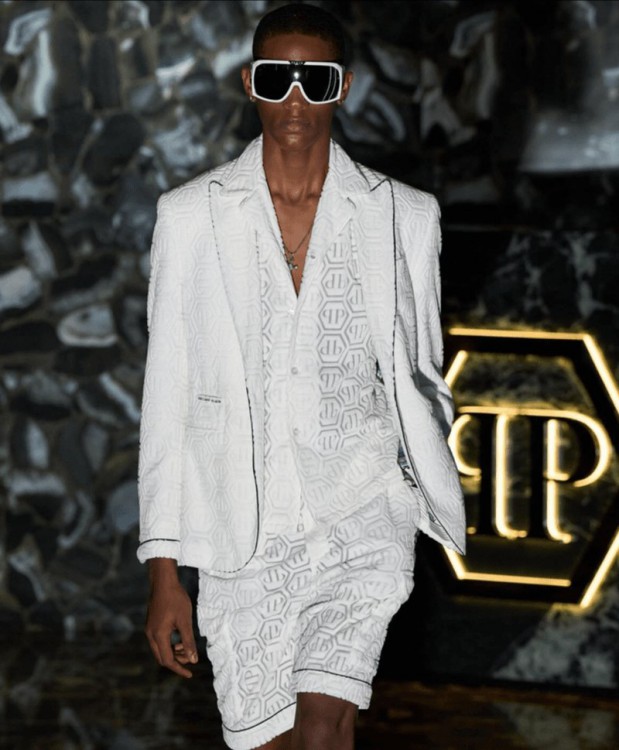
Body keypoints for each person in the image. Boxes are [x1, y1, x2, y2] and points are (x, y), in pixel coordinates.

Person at [137, 4, 465, 749]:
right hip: (242, 535)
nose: (293, 98)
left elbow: (422, 372)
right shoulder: (189, 217)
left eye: (313, 79)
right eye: (276, 78)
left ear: (340, 87)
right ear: (249, 82)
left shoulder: (404, 216)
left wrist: (412, 481)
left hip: (361, 513)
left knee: (323, 728)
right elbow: (167, 399)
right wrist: (164, 572)